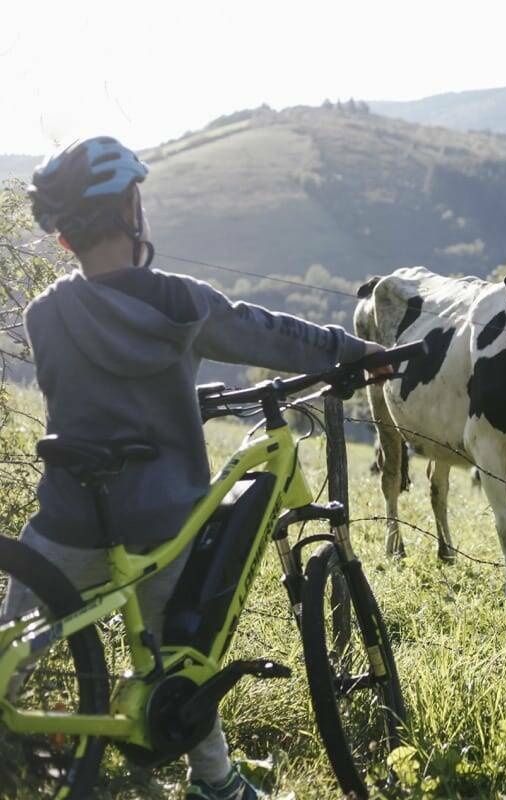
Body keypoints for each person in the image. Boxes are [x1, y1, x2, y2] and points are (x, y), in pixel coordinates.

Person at [2, 136, 388, 800]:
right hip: (161, 521)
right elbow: (267, 333)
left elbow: (95, 388)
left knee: (14, 648)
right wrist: (352, 350)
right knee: (185, 660)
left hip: (67, 519)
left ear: (64, 240)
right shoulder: (181, 304)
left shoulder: (46, 314)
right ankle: (215, 781)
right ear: (133, 210)